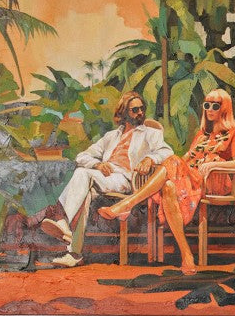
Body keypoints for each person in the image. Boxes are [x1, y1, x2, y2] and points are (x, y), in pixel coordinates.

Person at [103, 88, 235, 272]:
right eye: (207, 105)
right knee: (169, 186)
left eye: (215, 106)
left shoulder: (234, 133)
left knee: (171, 161)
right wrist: (168, 167)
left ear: (224, 109)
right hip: (193, 180)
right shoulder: (201, 134)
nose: (210, 109)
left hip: (214, 182)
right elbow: (186, 158)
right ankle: (187, 255)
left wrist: (213, 166)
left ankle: (127, 204)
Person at [33, 93, 173, 268]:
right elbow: (82, 156)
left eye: (141, 109)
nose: (140, 113)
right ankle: (74, 253)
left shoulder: (151, 133)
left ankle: (62, 220)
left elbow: (167, 152)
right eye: (135, 110)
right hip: (104, 177)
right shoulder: (111, 136)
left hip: (126, 179)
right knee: (84, 192)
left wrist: (150, 159)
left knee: (83, 174)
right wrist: (98, 164)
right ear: (124, 113)